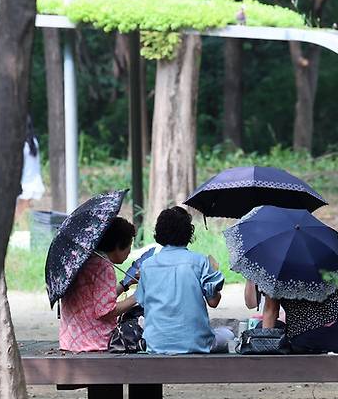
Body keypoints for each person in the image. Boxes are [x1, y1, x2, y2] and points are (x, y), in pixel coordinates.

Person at [134, 206, 232, 354]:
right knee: (228, 334)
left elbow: (142, 302)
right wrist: (214, 271)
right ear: (188, 233)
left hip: (156, 344)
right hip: (196, 343)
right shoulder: (200, 262)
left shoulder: (147, 265)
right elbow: (214, 302)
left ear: (159, 233)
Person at [59, 217, 139, 352]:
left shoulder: (81, 262)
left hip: (70, 342)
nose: (129, 252)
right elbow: (106, 311)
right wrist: (138, 296)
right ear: (118, 245)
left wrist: (125, 284)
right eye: (129, 246)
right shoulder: (104, 266)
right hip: (95, 343)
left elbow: (95, 299)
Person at [260, 286, 338, 354]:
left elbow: (271, 311)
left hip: (309, 335)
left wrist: (263, 347)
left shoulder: (274, 272)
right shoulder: (320, 258)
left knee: (262, 328)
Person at [15, 115, 45, 222]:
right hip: (32, 181)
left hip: (25, 183)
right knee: (23, 213)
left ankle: (20, 236)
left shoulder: (22, 145)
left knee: (20, 215)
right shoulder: (33, 142)